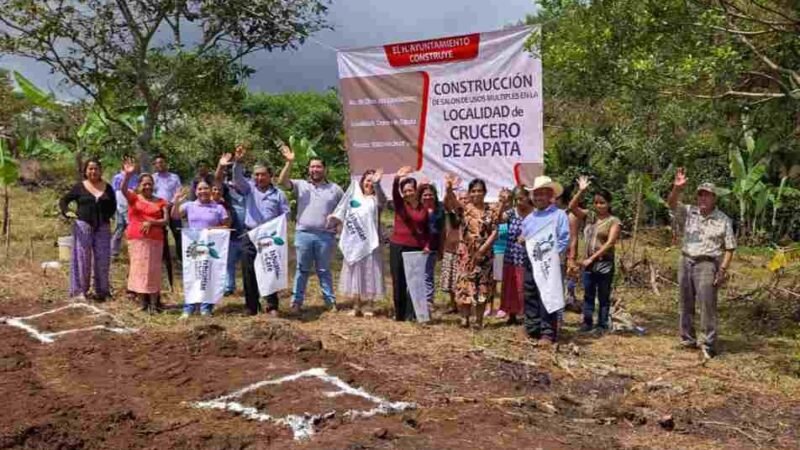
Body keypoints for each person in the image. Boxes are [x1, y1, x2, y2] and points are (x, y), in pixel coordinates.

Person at [667, 168, 735, 360]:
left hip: (707, 264)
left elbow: (730, 248)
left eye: (707, 196)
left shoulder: (723, 220)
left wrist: (722, 270)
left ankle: (708, 344)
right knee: (685, 301)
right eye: (700, 195)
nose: (703, 199)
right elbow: (671, 205)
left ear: (714, 198)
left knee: (707, 305)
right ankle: (687, 338)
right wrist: (676, 188)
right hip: (686, 259)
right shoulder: (690, 212)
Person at [278, 145, 344, 312]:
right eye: (312, 166)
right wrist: (289, 162)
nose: (315, 169)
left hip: (325, 236)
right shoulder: (301, 185)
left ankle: (330, 301)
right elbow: (282, 182)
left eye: (319, 166)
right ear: (308, 169)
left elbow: (345, 210)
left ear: (325, 169)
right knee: (302, 269)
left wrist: (337, 223)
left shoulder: (335, 189)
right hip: (304, 234)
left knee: (324, 270)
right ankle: (296, 302)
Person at [227, 147, 290, 316]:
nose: (259, 178)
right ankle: (251, 306)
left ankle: (271, 305)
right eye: (256, 175)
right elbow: (237, 178)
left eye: (263, 174)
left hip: (269, 238)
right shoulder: (249, 190)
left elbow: (286, 215)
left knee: (270, 268)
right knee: (248, 270)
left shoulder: (278, 194)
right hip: (250, 235)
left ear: (270, 176)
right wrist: (238, 162)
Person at [444, 174, 510, 329]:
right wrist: (448, 189)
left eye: (479, 191)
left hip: (485, 254)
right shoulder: (464, 209)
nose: (476, 194)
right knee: (464, 285)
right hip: (465, 254)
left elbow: (497, 229)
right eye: (473, 191)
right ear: (469, 193)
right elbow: (451, 202)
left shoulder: (491, 210)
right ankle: (465, 318)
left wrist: (482, 249)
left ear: (485, 192)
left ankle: (479, 320)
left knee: (483, 286)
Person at [328, 169, 387, 317]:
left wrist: (377, 184)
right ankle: (356, 305)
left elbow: (383, 201)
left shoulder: (376, 199)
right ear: (362, 181)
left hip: (370, 242)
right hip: (354, 241)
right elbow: (342, 211)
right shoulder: (354, 196)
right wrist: (333, 218)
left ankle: (369, 306)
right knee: (355, 273)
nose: (369, 183)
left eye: (372, 181)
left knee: (370, 273)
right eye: (367, 180)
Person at [520, 176, 570, 345]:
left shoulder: (559, 215)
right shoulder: (529, 218)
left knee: (548, 295)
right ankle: (532, 328)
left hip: (549, 263)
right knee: (530, 293)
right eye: (536, 194)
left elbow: (563, 238)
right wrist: (521, 239)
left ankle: (547, 332)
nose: (538, 197)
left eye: (542, 194)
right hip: (530, 262)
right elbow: (524, 237)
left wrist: (553, 256)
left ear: (551, 196)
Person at [568, 176, 622, 333]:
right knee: (588, 294)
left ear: (609, 204)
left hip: (604, 263)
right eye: (596, 202)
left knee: (603, 296)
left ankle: (602, 324)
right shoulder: (590, 216)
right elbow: (572, 207)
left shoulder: (614, 221)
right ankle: (587, 322)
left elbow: (610, 243)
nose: (599, 206)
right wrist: (581, 191)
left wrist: (591, 258)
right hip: (588, 264)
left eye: (602, 202)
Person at [59, 159, 117, 302]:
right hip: (83, 225)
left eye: (96, 168)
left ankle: (102, 291)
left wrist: (105, 217)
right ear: (85, 171)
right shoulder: (80, 187)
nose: (93, 171)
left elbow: (113, 205)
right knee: (82, 259)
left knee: (103, 259)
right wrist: (67, 212)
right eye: (90, 169)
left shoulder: (108, 187)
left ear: (101, 170)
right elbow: (64, 200)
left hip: (103, 227)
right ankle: (79, 291)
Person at [171, 182, 231, 317]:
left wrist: (210, 230)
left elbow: (226, 226)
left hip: (212, 248)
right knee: (193, 275)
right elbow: (175, 216)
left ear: (211, 190)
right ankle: (189, 307)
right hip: (194, 248)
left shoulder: (219, 208)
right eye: (200, 189)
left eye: (206, 188)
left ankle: (206, 307)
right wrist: (176, 201)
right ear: (195, 191)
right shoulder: (189, 205)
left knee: (209, 276)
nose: (203, 191)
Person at [120, 158, 169, 312]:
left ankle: (154, 305)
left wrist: (152, 223)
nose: (147, 186)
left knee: (153, 271)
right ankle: (142, 304)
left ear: (153, 185)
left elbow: (166, 221)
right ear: (139, 186)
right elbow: (122, 189)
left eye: (150, 183)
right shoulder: (133, 198)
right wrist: (128, 175)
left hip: (155, 240)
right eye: (144, 184)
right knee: (138, 270)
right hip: (137, 240)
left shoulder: (161, 201)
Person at [389, 166, 430, 321]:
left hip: (415, 248)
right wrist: (397, 178)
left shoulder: (423, 208)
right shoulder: (400, 205)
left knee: (414, 282)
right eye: (405, 191)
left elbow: (426, 229)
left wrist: (426, 245)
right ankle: (399, 315)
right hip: (397, 246)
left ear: (415, 190)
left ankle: (413, 313)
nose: (407, 193)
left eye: (410, 190)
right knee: (398, 281)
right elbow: (394, 192)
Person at [500, 185, 534, 325]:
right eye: (516, 199)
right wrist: (503, 203)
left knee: (525, 286)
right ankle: (512, 314)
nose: (519, 202)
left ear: (528, 198)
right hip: (511, 256)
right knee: (511, 285)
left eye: (522, 198)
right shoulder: (511, 213)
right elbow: (499, 221)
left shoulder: (534, 214)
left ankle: (528, 314)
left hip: (528, 256)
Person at [215, 157, 247, 296]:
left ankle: (251, 286)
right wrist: (221, 166)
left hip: (248, 234)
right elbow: (217, 180)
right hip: (232, 234)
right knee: (229, 263)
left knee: (250, 265)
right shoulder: (226, 190)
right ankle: (229, 287)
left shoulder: (250, 190)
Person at [152, 154, 183, 266]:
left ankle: (181, 258)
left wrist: (172, 203)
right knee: (162, 234)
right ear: (154, 165)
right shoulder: (153, 178)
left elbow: (178, 191)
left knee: (178, 232)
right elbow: (151, 193)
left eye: (162, 162)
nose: (160, 165)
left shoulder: (174, 177)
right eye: (157, 163)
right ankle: (165, 258)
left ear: (166, 163)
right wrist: (160, 204)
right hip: (159, 209)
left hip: (173, 207)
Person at [439, 192, 467, 314]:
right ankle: (453, 305)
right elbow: (446, 203)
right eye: (461, 198)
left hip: (463, 251)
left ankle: (461, 305)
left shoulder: (468, 214)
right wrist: (449, 189)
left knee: (460, 280)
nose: (463, 200)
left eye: (466, 198)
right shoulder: (450, 214)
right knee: (449, 280)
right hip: (449, 249)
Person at [420, 183, 445, 307]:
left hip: (433, 247)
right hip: (417, 247)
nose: (428, 197)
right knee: (417, 274)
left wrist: (441, 249)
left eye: (430, 194)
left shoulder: (440, 210)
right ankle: (417, 298)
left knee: (427, 273)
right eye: (425, 195)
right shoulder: (417, 209)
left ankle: (428, 300)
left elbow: (441, 232)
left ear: (435, 196)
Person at [110, 160, 139, 258]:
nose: (130, 165)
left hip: (132, 205)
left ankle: (133, 251)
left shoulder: (136, 177)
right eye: (127, 163)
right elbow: (115, 192)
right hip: (120, 205)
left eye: (132, 163)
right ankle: (114, 252)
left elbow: (137, 192)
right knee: (120, 227)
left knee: (130, 228)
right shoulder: (117, 177)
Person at [488, 218, 509, 318]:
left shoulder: (511, 218)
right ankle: (489, 308)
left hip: (506, 252)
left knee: (504, 283)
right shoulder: (492, 220)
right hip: (494, 252)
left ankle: (503, 308)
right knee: (492, 283)